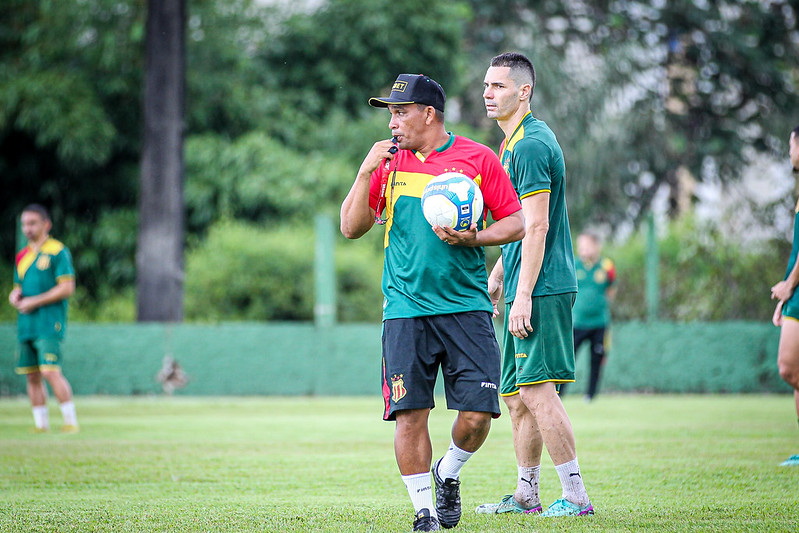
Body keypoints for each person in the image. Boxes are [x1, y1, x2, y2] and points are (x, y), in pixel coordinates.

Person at [340, 73, 525, 531]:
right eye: (389, 114)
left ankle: (449, 472)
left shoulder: (478, 158)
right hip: (405, 310)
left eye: (400, 112)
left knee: (479, 414)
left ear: (429, 114)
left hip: (467, 306)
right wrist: (365, 171)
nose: (393, 123)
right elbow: (350, 227)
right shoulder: (387, 163)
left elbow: (516, 223)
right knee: (410, 414)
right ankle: (423, 511)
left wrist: (474, 237)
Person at [476, 52, 594, 517]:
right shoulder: (511, 144)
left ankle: (577, 497)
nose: (489, 93)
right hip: (525, 279)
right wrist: (500, 274)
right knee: (516, 397)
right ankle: (526, 493)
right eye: (486, 85)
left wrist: (523, 292)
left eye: (499, 86)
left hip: (543, 287)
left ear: (524, 91)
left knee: (539, 390)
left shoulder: (528, 145)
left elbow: (539, 226)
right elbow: (520, 225)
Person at [8, 204, 79, 433]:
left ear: (46, 224)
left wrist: (34, 301)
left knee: (50, 371)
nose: (27, 228)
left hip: (49, 321)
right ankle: (41, 425)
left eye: (32, 223)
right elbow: (18, 287)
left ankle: (70, 421)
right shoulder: (22, 255)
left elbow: (67, 287)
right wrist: (15, 296)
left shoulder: (57, 251)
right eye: (24, 224)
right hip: (26, 323)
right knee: (32, 375)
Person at [770, 124, 799, 467]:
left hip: (797, 289)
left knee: (788, 368)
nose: (790, 152)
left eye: (791, 144)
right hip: (794, 291)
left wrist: (790, 285)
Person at [560, 231, 616, 402]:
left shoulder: (607, 266)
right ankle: (559, 394)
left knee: (596, 359)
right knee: (568, 359)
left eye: (587, 245)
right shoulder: (573, 264)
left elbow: (612, 290)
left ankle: (591, 395)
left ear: (596, 246)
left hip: (600, 322)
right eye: (581, 246)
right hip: (577, 322)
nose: (583, 249)